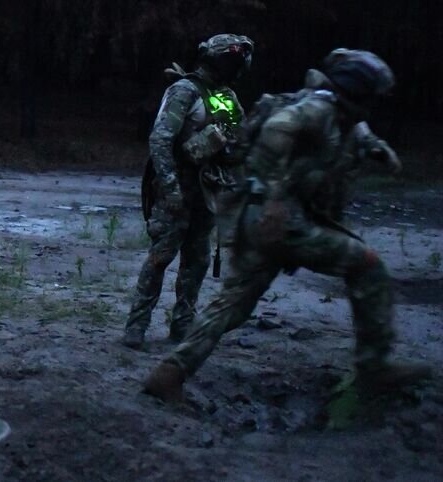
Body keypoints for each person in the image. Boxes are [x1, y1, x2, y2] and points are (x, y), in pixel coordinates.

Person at [143, 49, 431, 403]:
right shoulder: (316, 110)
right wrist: (272, 198)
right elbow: (278, 129)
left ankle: (169, 372)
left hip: (264, 222)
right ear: (358, 91)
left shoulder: (343, 118)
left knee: (233, 305)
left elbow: (359, 137)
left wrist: (376, 149)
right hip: (281, 222)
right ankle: (374, 365)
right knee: (366, 264)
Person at [122, 34, 254, 349]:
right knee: (160, 258)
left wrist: (228, 155)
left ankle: (182, 329)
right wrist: (170, 189)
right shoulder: (184, 90)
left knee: (196, 264)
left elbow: (240, 142)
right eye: (232, 61)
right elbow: (160, 140)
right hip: (178, 189)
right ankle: (136, 328)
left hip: (207, 192)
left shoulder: (226, 96)